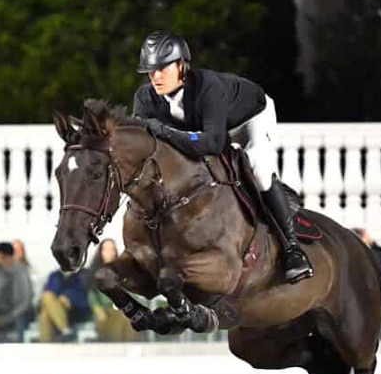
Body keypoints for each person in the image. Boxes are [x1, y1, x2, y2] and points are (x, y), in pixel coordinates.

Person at [131, 30, 312, 284]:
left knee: (259, 169)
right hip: (208, 130)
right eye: (151, 71)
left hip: (249, 119)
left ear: (182, 66)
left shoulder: (208, 88)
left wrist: (165, 131)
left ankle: (293, 249)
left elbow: (213, 143)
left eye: (163, 68)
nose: (156, 77)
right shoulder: (144, 98)